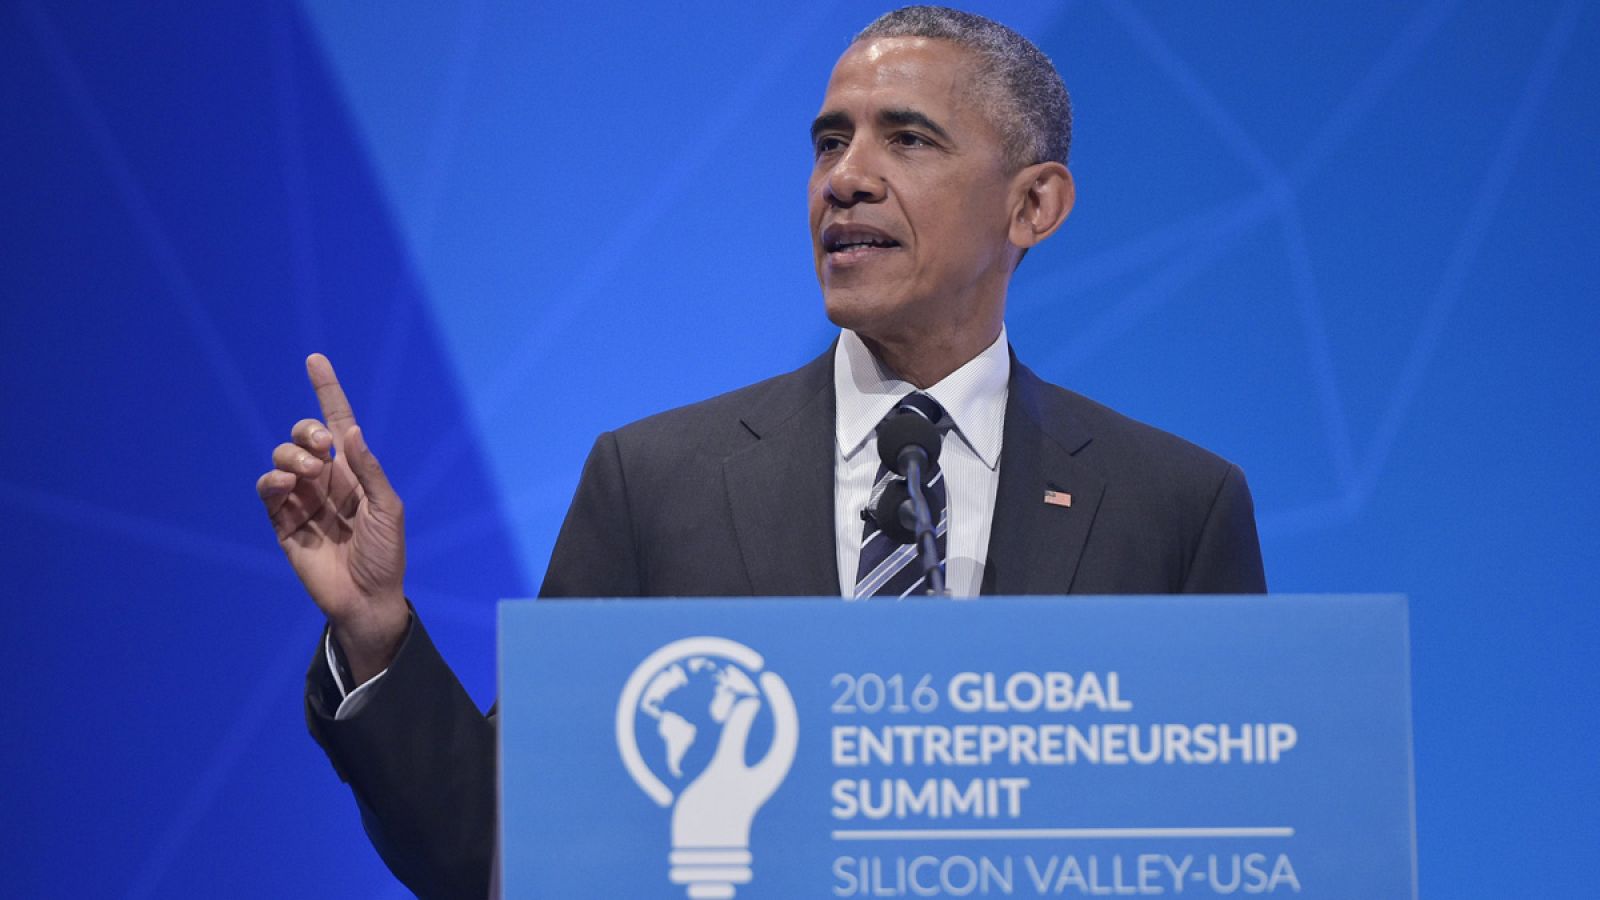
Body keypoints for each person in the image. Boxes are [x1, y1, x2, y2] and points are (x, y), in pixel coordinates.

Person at [256, 7, 1266, 898]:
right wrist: (377, 633)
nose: (846, 179)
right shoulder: (653, 483)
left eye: (906, 140)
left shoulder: (1173, 507)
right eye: (829, 143)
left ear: (1033, 206)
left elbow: (1240, 847)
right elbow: (500, 854)